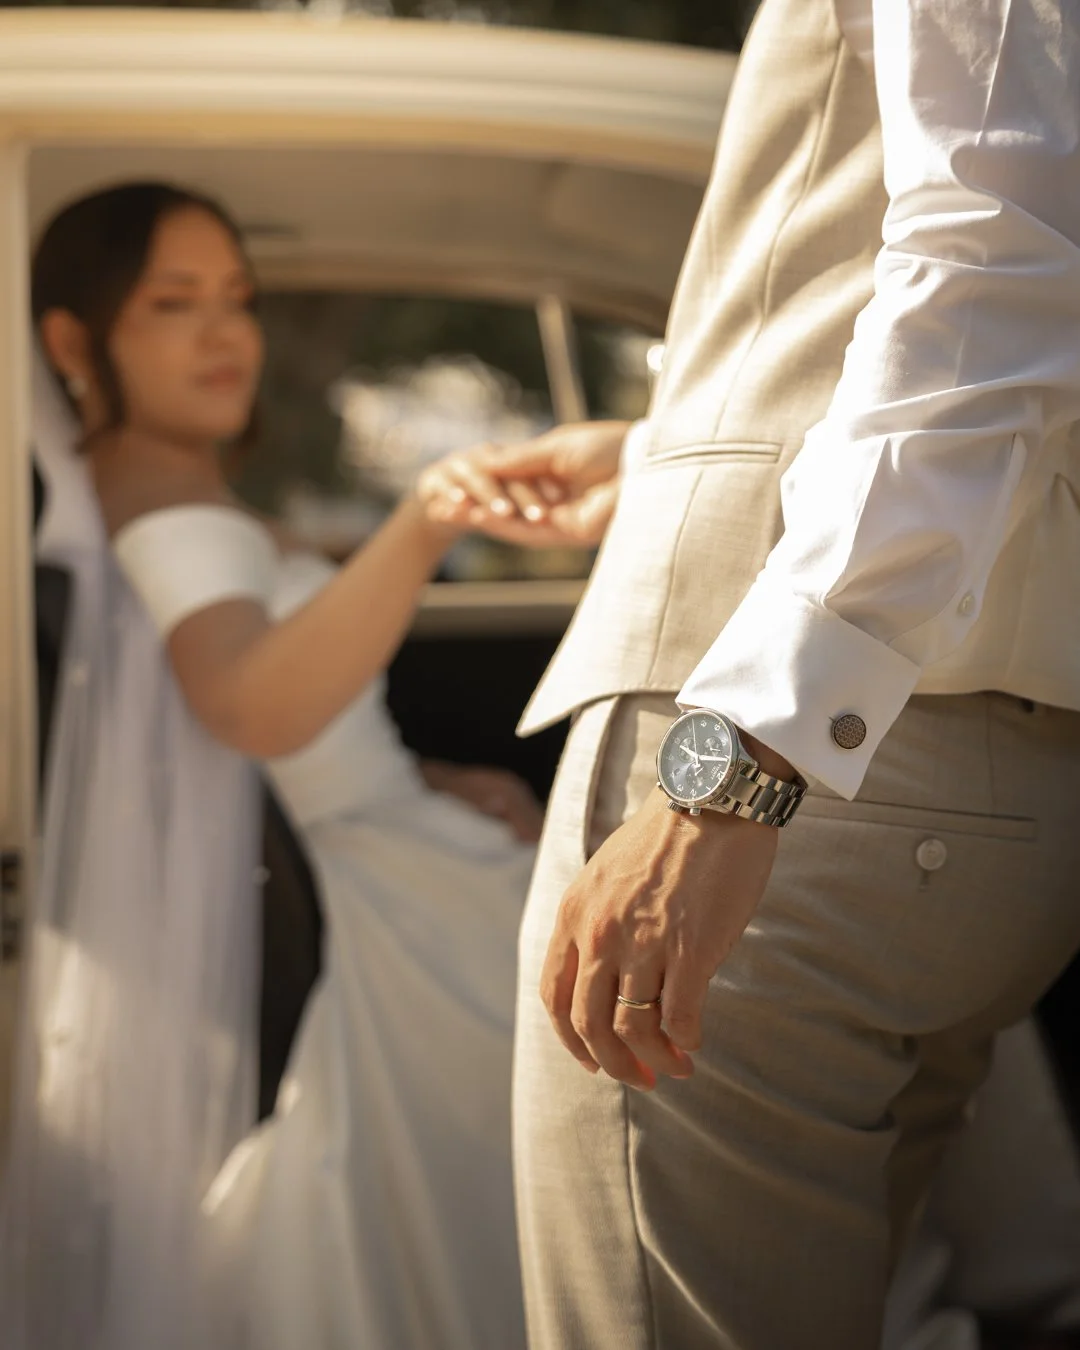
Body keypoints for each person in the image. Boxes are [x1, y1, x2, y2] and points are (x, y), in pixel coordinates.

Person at [421, 1, 1080, 1346]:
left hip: (793, 758)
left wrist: (743, 764)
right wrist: (665, 444)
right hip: (996, 766)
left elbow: (998, 258)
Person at [2, 180, 537, 1350]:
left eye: (237, 300)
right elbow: (244, 701)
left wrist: (435, 779)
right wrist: (428, 519)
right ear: (72, 340)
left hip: (393, 834)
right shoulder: (143, 483)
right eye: (172, 302)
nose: (224, 332)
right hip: (384, 896)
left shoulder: (178, 483)